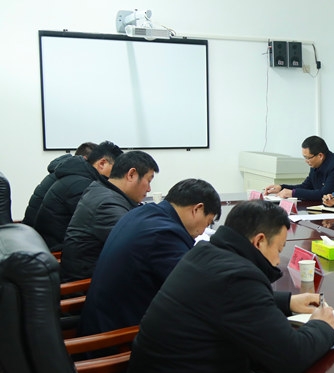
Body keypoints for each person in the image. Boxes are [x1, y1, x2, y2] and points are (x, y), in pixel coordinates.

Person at [121, 200, 334, 373]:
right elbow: (291, 356)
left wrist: (288, 302)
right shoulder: (239, 277)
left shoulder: (205, 253)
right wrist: (322, 325)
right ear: (259, 241)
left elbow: (226, 300)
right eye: (278, 249)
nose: (276, 260)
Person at [77, 179, 220, 337]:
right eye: (208, 222)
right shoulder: (165, 234)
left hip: (102, 321)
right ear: (197, 209)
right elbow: (193, 290)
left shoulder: (143, 213)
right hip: (117, 338)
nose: (203, 231)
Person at [60, 150, 159, 282]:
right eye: (149, 181)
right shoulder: (107, 204)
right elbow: (140, 246)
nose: (149, 189)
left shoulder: (102, 190)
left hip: (101, 276)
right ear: (131, 174)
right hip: (87, 285)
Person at [31, 141, 123, 251]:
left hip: (44, 241)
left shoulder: (76, 175)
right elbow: (99, 222)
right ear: (102, 163)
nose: (116, 176)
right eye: (116, 170)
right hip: (56, 249)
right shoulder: (82, 185)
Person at [22, 142, 97, 227]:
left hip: (32, 229)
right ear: (85, 159)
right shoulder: (74, 181)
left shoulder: (62, 171)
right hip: (40, 232)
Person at [264, 135, 334, 200]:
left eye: (308, 158)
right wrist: (282, 187)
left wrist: (293, 193)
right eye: (304, 157)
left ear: (320, 155)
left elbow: (324, 194)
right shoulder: (315, 164)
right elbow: (305, 186)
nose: (306, 161)